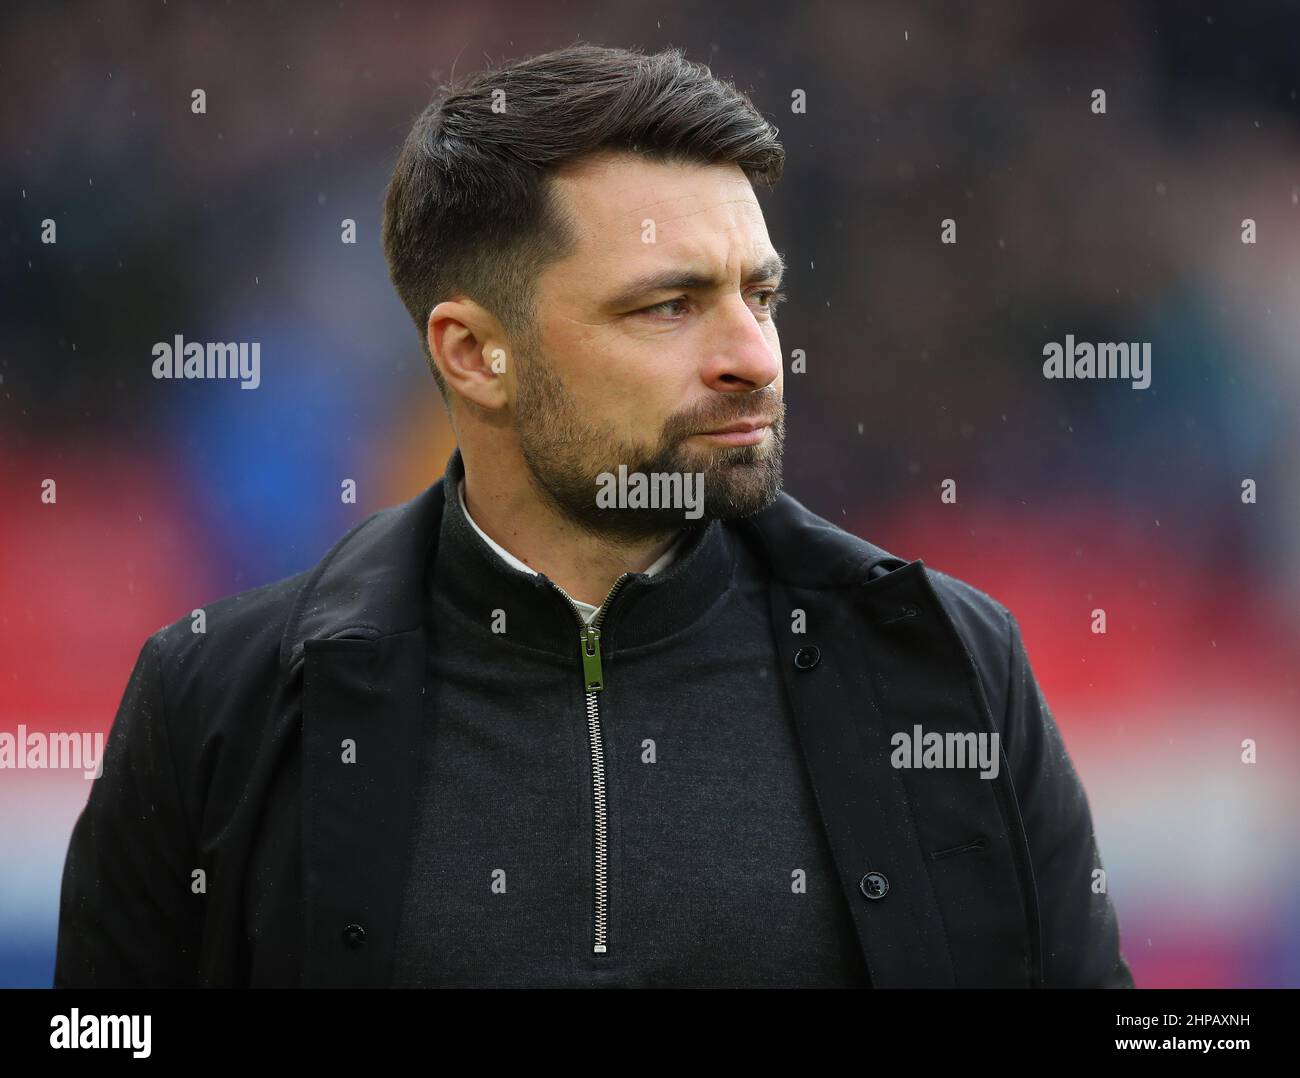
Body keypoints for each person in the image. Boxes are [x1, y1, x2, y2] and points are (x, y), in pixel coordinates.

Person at [54, 42, 1133, 988]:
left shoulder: (945, 663)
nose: (754, 356)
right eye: (668, 305)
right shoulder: (220, 703)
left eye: (758, 295)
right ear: (474, 353)